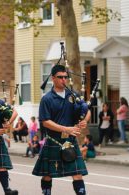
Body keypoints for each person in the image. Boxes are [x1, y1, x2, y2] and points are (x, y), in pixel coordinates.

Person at [33, 65, 91, 195]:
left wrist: (84, 121)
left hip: (70, 140)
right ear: (53, 78)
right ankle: (46, 192)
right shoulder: (47, 99)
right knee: (48, 174)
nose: (64, 80)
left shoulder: (73, 95)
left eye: (65, 77)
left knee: (77, 173)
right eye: (60, 77)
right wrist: (66, 128)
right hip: (54, 140)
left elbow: (87, 111)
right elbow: (45, 122)